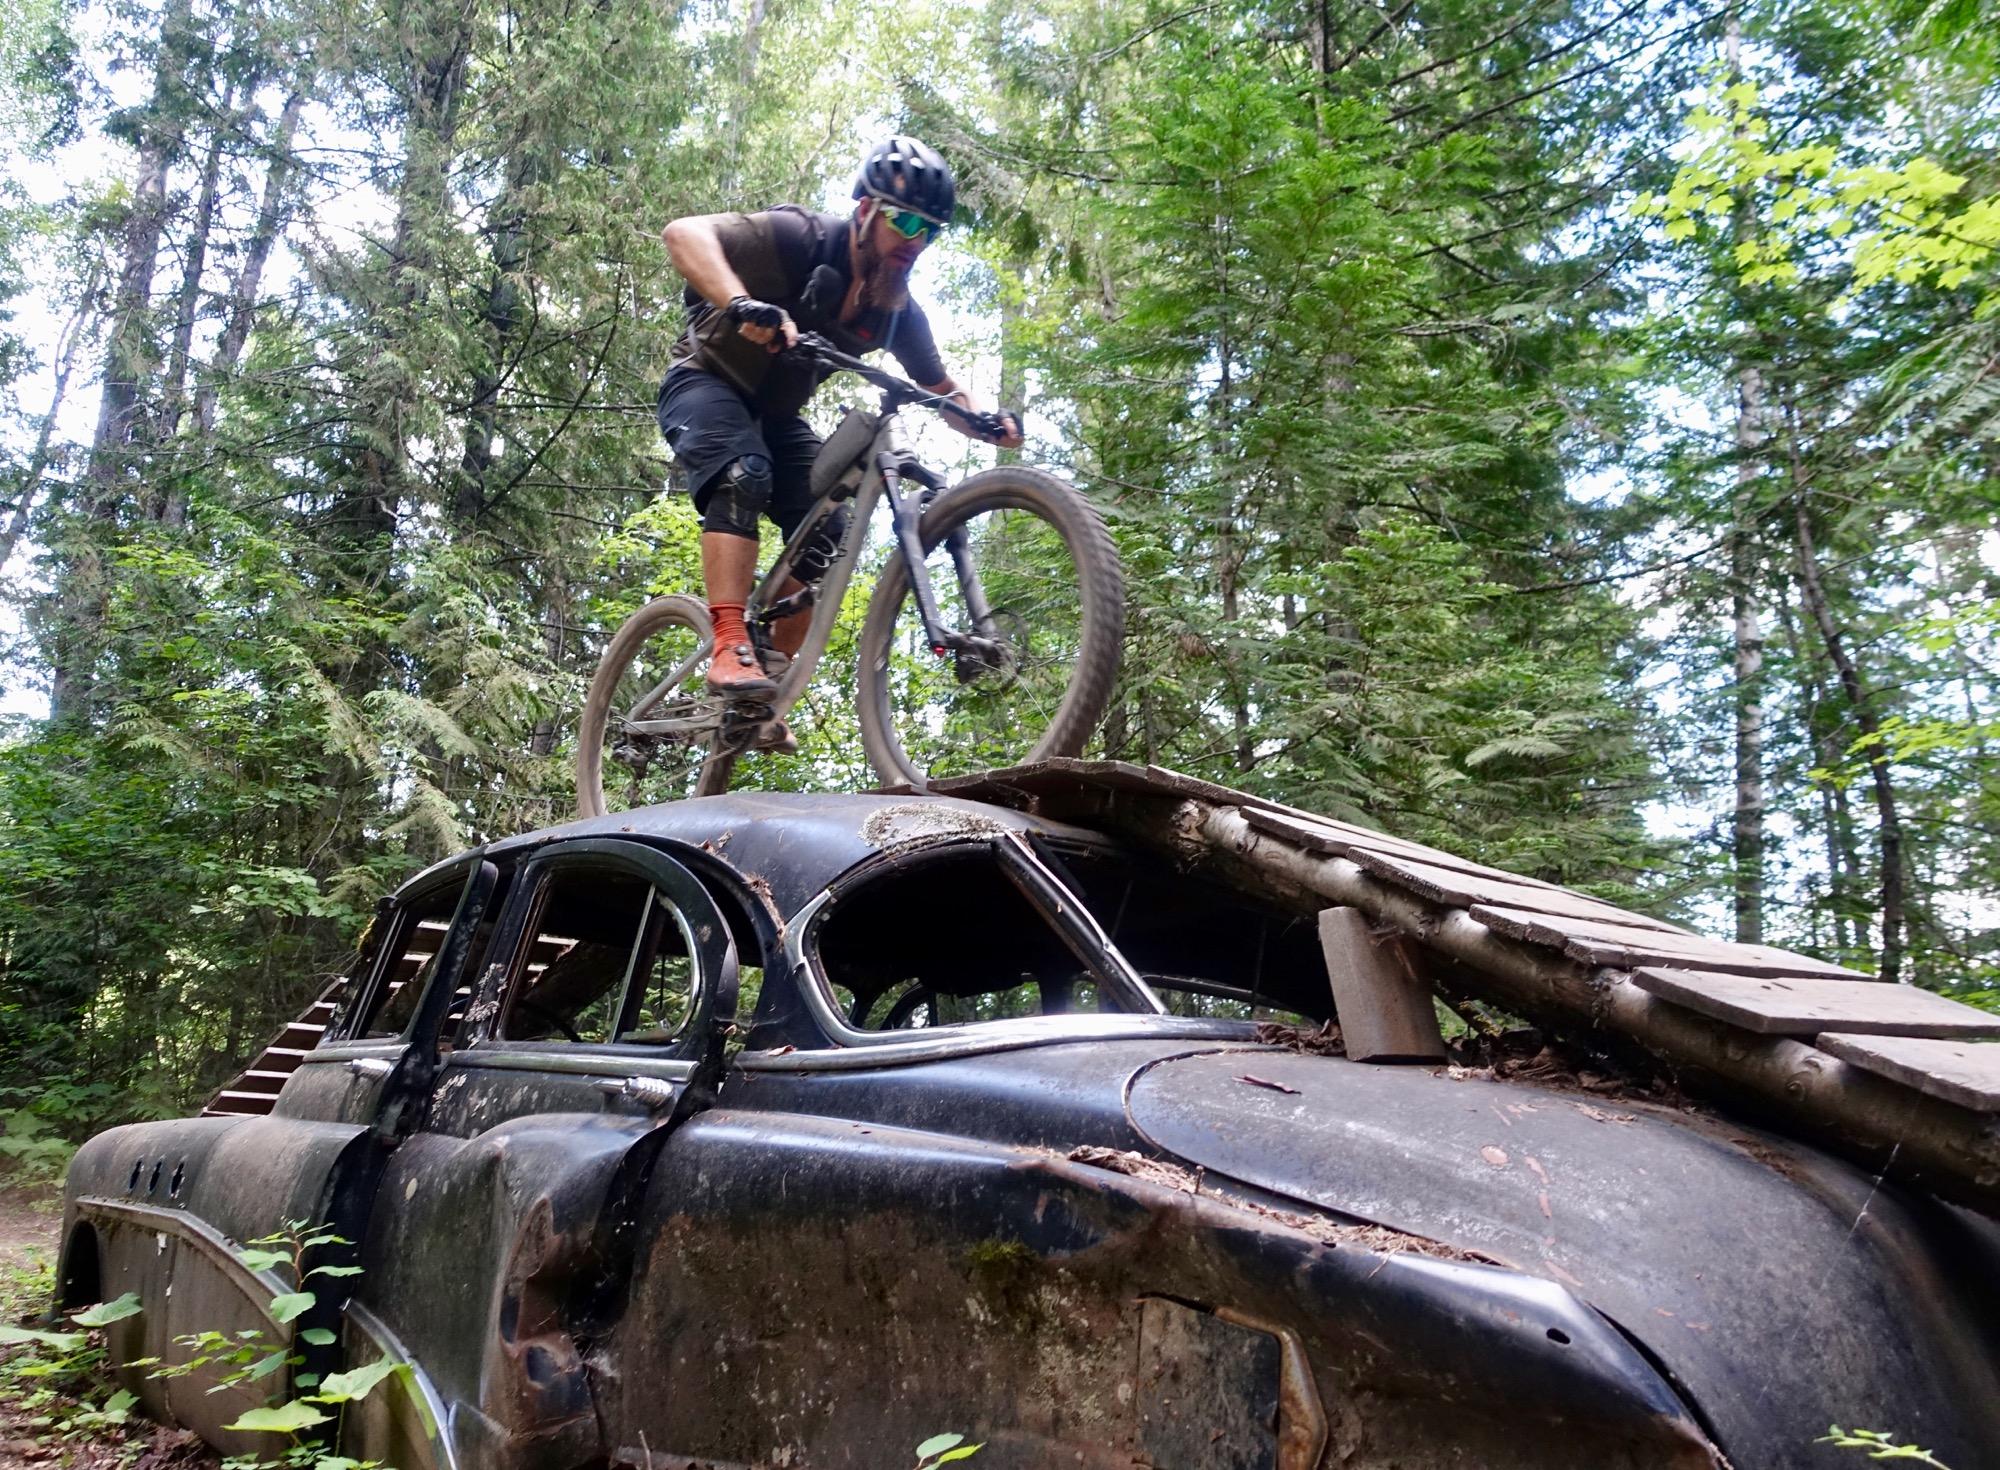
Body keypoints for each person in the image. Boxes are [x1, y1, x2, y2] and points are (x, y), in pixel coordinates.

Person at [657, 135, 1022, 731]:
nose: (915, 241)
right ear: (865, 213)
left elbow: (943, 388)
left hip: (776, 417)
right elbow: (683, 234)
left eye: (931, 231)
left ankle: (767, 676)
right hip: (705, 380)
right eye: (904, 220)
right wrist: (743, 303)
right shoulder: (802, 239)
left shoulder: (895, 310)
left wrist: (987, 419)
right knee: (744, 475)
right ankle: (728, 642)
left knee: (827, 526)